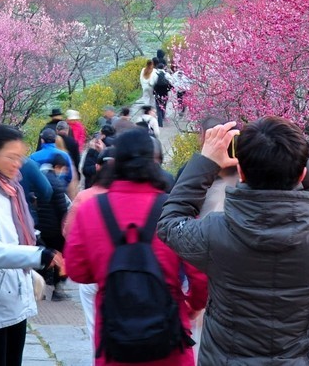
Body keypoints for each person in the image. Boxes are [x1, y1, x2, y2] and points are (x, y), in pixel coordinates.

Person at [157, 118, 309, 365]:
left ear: (241, 172)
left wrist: (206, 162)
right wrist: (303, 157)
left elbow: (170, 223)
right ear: (303, 175)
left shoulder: (215, 232)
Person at [66, 129, 209, 366]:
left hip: (115, 335)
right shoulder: (172, 210)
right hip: (169, 333)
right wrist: (193, 305)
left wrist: (108, 270)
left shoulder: (91, 209)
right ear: (155, 162)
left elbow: (77, 270)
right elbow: (199, 272)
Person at [0, 125, 65, 366]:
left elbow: (15, 238)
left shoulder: (10, 190)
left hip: (15, 297)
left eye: (20, 157)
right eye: (11, 157)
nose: (18, 163)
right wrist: (37, 256)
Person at [64, 148, 118, 343]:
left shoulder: (85, 197)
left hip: (92, 272)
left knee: (95, 327)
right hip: (121, 271)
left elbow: (69, 232)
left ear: (97, 167)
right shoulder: (123, 196)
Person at [37, 151, 72, 301]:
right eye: (63, 169)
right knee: (59, 259)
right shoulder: (57, 184)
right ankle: (58, 291)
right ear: (58, 167)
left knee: (42, 258)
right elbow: (62, 210)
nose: (63, 172)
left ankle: (40, 290)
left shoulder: (39, 178)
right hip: (55, 230)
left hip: (40, 228)